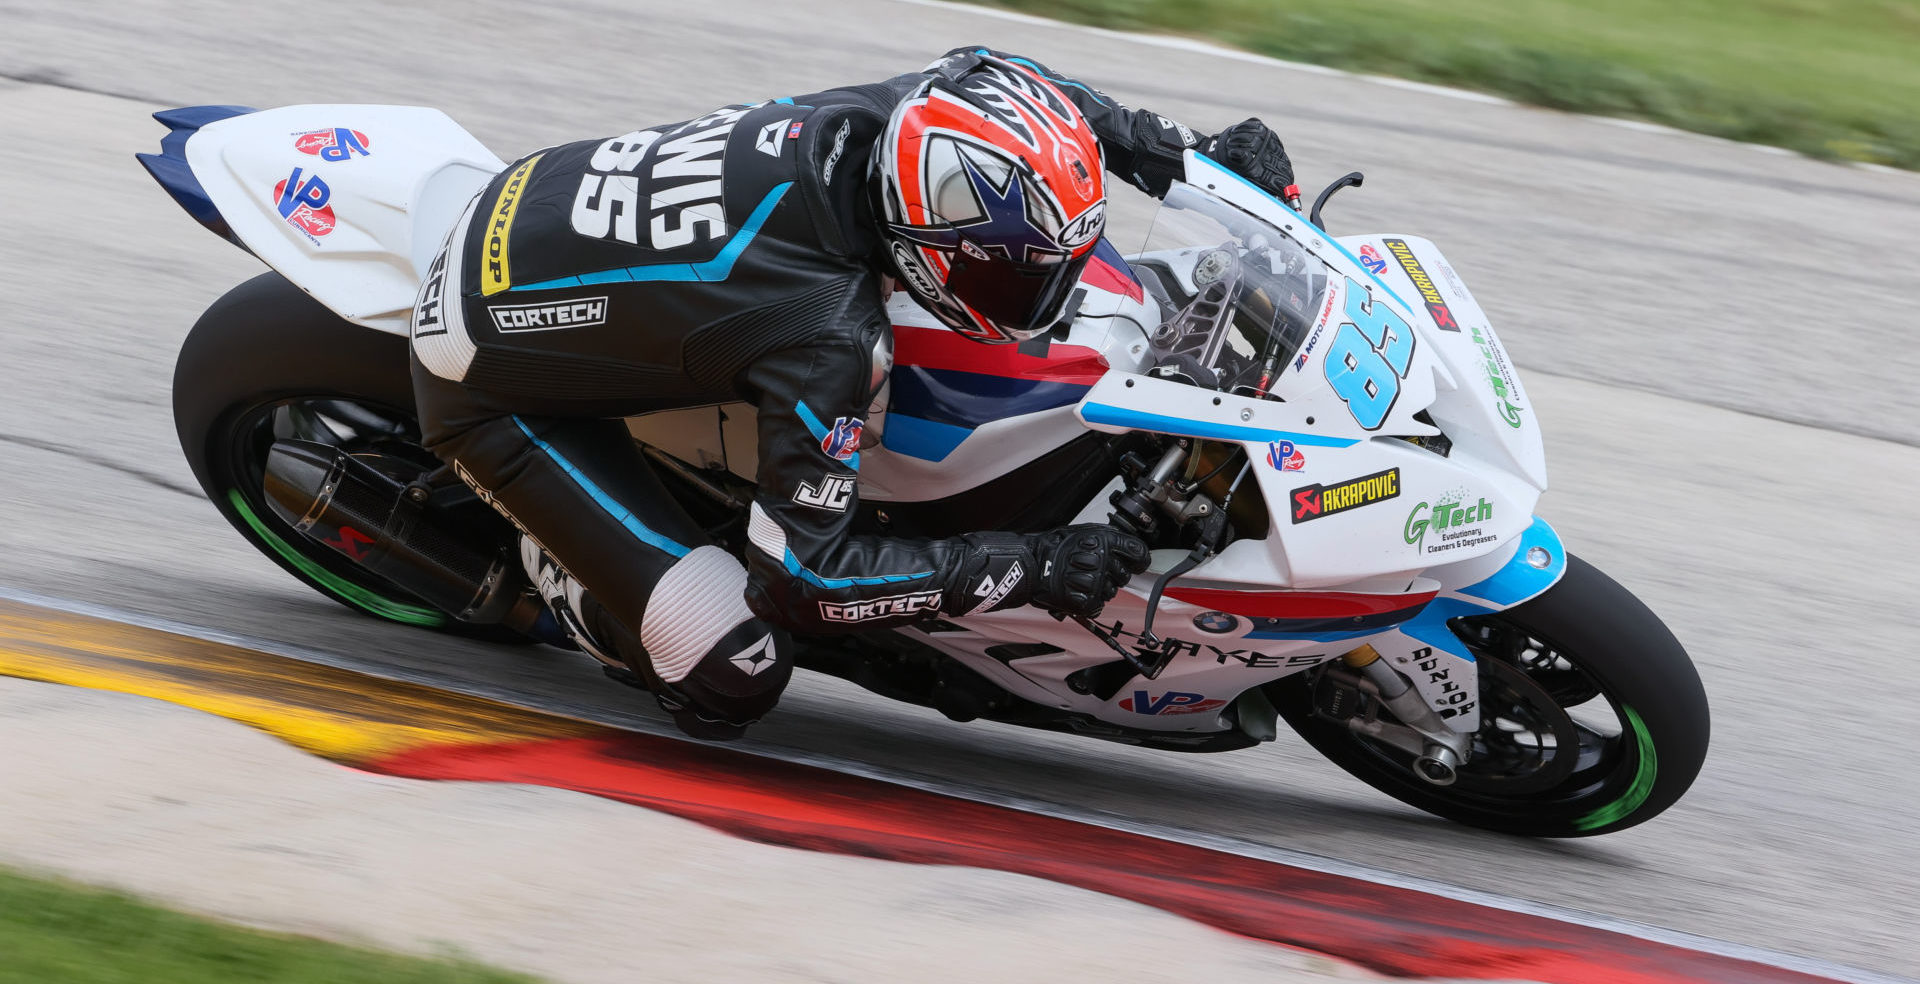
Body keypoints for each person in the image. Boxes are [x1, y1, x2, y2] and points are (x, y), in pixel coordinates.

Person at [408, 46, 1296, 739]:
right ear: (920, 251)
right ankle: (557, 571)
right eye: (1022, 284)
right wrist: (1034, 561)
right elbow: (804, 581)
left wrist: (1178, 150)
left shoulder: (896, 121)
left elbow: (1017, 80)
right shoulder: (826, 339)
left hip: (532, 200)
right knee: (733, 671)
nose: (1050, 301)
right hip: (485, 384)